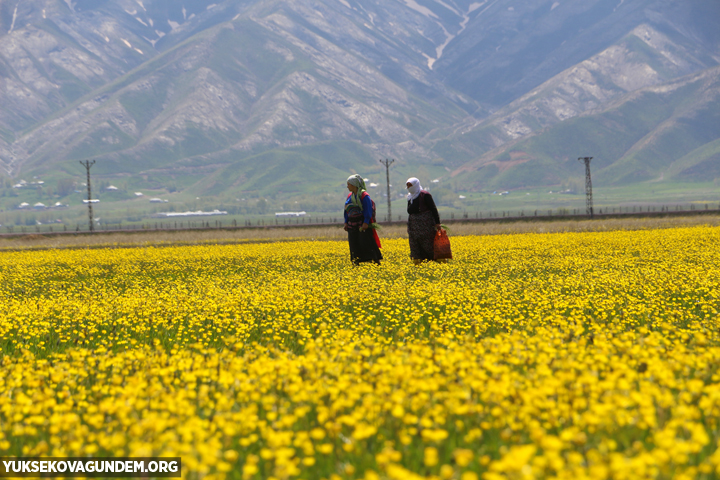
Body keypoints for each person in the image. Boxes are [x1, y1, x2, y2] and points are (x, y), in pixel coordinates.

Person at [344, 174, 382, 265]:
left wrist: (365, 222)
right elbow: (346, 210)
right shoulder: (350, 196)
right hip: (352, 224)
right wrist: (346, 222)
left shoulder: (364, 196)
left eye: (349, 184)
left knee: (366, 242)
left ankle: (375, 261)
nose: (347, 186)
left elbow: (368, 209)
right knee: (353, 243)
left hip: (362, 224)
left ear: (354, 185)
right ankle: (355, 262)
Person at [406, 177, 442, 264]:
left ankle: (434, 263)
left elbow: (433, 209)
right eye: (407, 185)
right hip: (414, 227)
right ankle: (419, 265)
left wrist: (437, 223)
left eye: (410, 185)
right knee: (415, 245)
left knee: (428, 245)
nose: (408, 187)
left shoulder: (425, 195)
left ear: (416, 185)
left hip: (426, 226)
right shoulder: (410, 197)